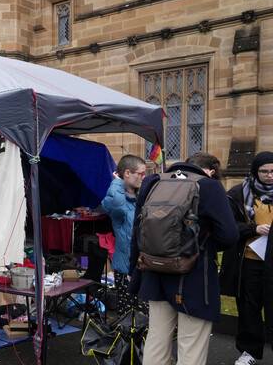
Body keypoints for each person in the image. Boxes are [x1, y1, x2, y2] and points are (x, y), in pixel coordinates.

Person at [129, 153, 238, 365]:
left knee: (157, 340)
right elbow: (229, 235)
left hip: (154, 271)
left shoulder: (152, 181)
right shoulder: (209, 186)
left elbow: (138, 230)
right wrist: (201, 244)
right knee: (191, 346)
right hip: (194, 275)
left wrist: (134, 270)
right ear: (210, 171)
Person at [220, 151, 273, 365]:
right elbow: (228, 226)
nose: (269, 175)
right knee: (249, 308)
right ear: (255, 171)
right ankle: (249, 351)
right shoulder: (238, 193)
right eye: (264, 171)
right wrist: (253, 229)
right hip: (249, 261)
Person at [101, 154, 147, 314]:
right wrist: (117, 182)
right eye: (141, 173)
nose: (143, 177)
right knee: (128, 315)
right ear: (127, 173)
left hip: (145, 265)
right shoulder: (115, 199)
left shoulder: (140, 196)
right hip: (126, 267)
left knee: (145, 315)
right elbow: (117, 204)